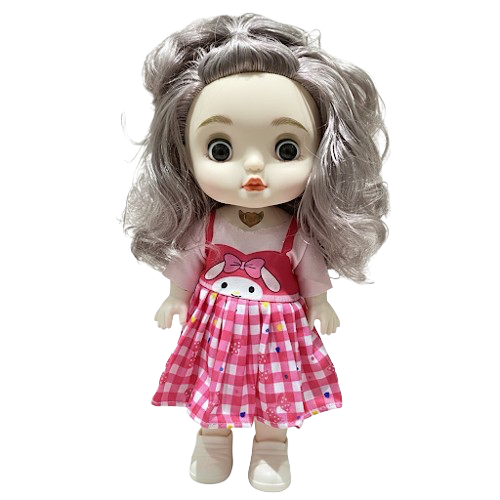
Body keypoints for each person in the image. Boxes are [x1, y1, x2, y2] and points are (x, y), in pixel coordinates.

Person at [117, 12, 392, 494]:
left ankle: (270, 444)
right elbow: (188, 262)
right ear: (182, 150)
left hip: (279, 323)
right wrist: (177, 295)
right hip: (217, 318)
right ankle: (213, 438)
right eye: (219, 149)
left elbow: (310, 270)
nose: (252, 169)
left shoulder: (293, 231)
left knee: (275, 385)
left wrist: (319, 301)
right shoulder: (208, 224)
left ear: (324, 151)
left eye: (286, 149)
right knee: (214, 380)